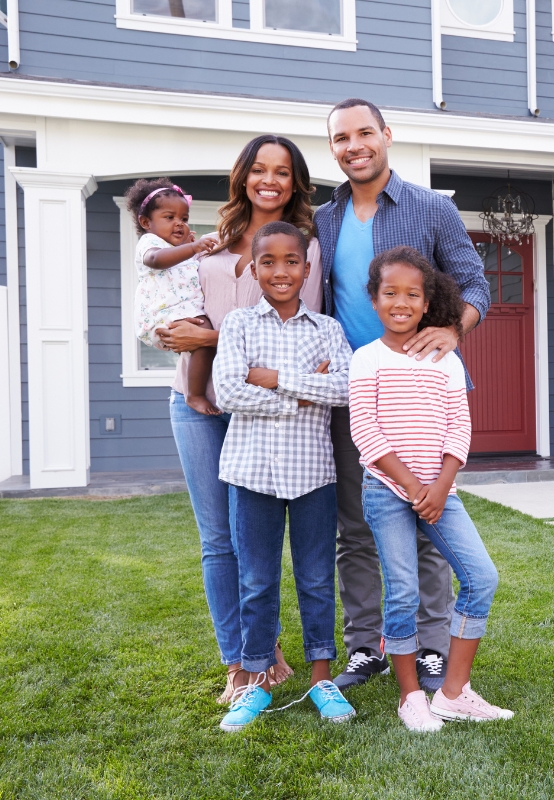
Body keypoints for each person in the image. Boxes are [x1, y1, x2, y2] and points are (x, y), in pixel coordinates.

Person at [316, 98, 491, 691]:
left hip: (425, 393)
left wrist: (453, 328)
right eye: (341, 138)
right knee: (357, 526)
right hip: (357, 393)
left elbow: (475, 283)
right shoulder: (324, 218)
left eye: (365, 132)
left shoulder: (430, 208)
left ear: (387, 135)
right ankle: (366, 647)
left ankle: (434, 647)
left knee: (429, 524)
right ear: (333, 148)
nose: (354, 145)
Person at [159, 135, 323, 704]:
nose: (269, 180)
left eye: (281, 171)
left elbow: (299, 338)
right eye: (258, 169)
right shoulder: (206, 244)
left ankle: (263, 644)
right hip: (197, 401)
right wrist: (174, 332)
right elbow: (175, 313)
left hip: (265, 412)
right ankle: (242, 658)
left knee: (257, 538)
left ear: (295, 181)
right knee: (216, 540)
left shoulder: (308, 250)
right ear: (243, 177)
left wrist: (207, 335)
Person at [351, 246, 510, 730]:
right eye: (390, 292)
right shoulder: (366, 359)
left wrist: (441, 487)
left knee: (481, 579)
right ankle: (410, 696)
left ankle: (453, 693)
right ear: (374, 300)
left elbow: (459, 428)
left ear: (427, 303)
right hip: (386, 490)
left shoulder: (447, 360)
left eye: (412, 294)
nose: (401, 302)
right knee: (402, 593)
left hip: (442, 491)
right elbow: (365, 431)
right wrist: (414, 486)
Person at [214, 221, 356, 732]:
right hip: (251, 473)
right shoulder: (237, 325)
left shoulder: (328, 331)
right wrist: (301, 393)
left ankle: (322, 678)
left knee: (317, 578)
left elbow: (343, 389)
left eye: (291, 261)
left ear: (307, 267)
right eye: (268, 262)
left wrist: (273, 381)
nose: (280, 271)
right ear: (254, 269)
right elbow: (228, 392)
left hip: (313, 473)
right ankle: (254, 680)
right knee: (256, 580)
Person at [125, 179, 218, 416]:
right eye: (169, 218)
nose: (179, 224)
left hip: (183, 310)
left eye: (184, 219)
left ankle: (197, 390)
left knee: (204, 340)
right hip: (163, 313)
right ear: (146, 222)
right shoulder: (150, 243)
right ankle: (194, 394)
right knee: (204, 339)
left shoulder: (180, 249)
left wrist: (189, 248)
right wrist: (193, 247)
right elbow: (156, 260)